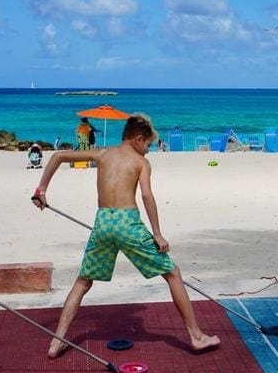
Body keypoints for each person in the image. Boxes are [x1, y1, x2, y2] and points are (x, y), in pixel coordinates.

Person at [30, 113, 221, 358]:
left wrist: (41, 189)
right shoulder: (141, 163)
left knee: (83, 282)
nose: (149, 151)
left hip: (103, 221)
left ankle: (56, 342)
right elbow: (147, 196)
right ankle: (196, 336)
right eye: (149, 145)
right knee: (172, 273)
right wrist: (158, 234)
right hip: (128, 223)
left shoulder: (101, 153)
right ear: (138, 140)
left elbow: (57, 156)